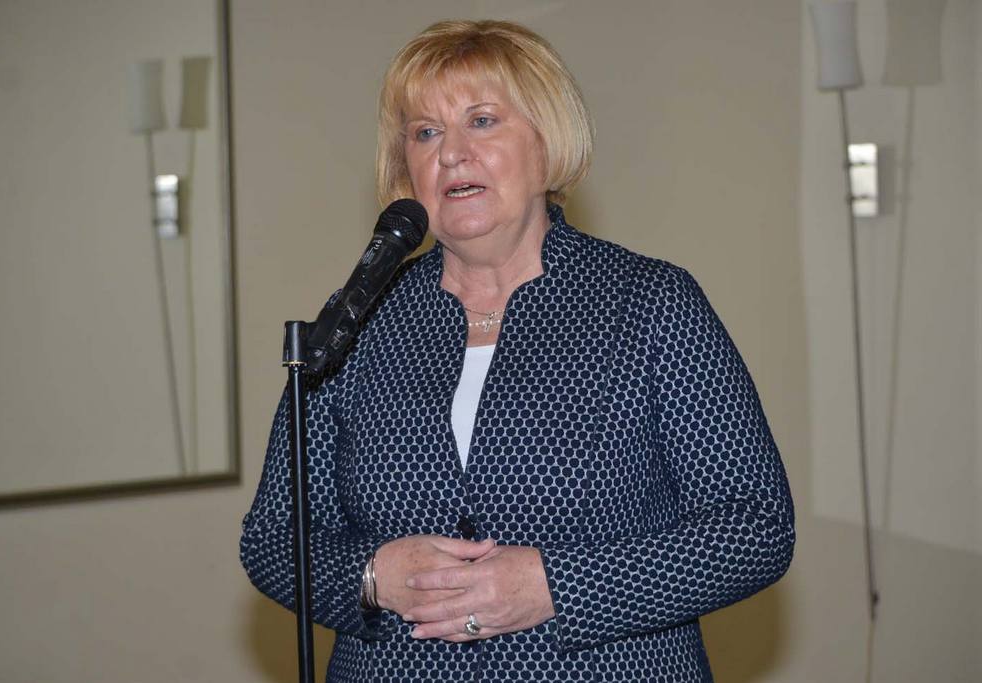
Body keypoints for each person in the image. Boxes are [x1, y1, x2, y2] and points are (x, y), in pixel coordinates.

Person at [241, 19, 794, 682]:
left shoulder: (649, 304)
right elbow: (272, 541)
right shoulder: (358, 321)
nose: (451, 154)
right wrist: (370, 576)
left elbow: (755, 527)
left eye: (481, 121)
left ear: (547, 141)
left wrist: (558, 586)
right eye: (426, 132)